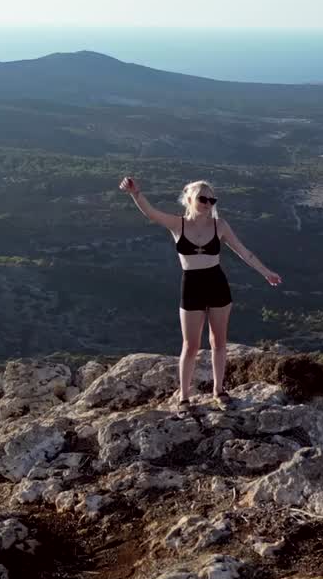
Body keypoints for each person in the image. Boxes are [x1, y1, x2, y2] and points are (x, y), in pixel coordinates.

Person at [119, 176, 282, 413]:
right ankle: (184, 398)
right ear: (189, 199)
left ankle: (219, 390)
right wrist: (136, 194)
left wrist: (266, 273)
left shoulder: (220, 225)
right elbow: (151, 213)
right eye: (202, 199)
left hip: (217, 284)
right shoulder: (178, 224)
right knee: (190, 345)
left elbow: (243, 252)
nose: (207, 204)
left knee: (218, 341)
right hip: (191, 286)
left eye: (211, 200)